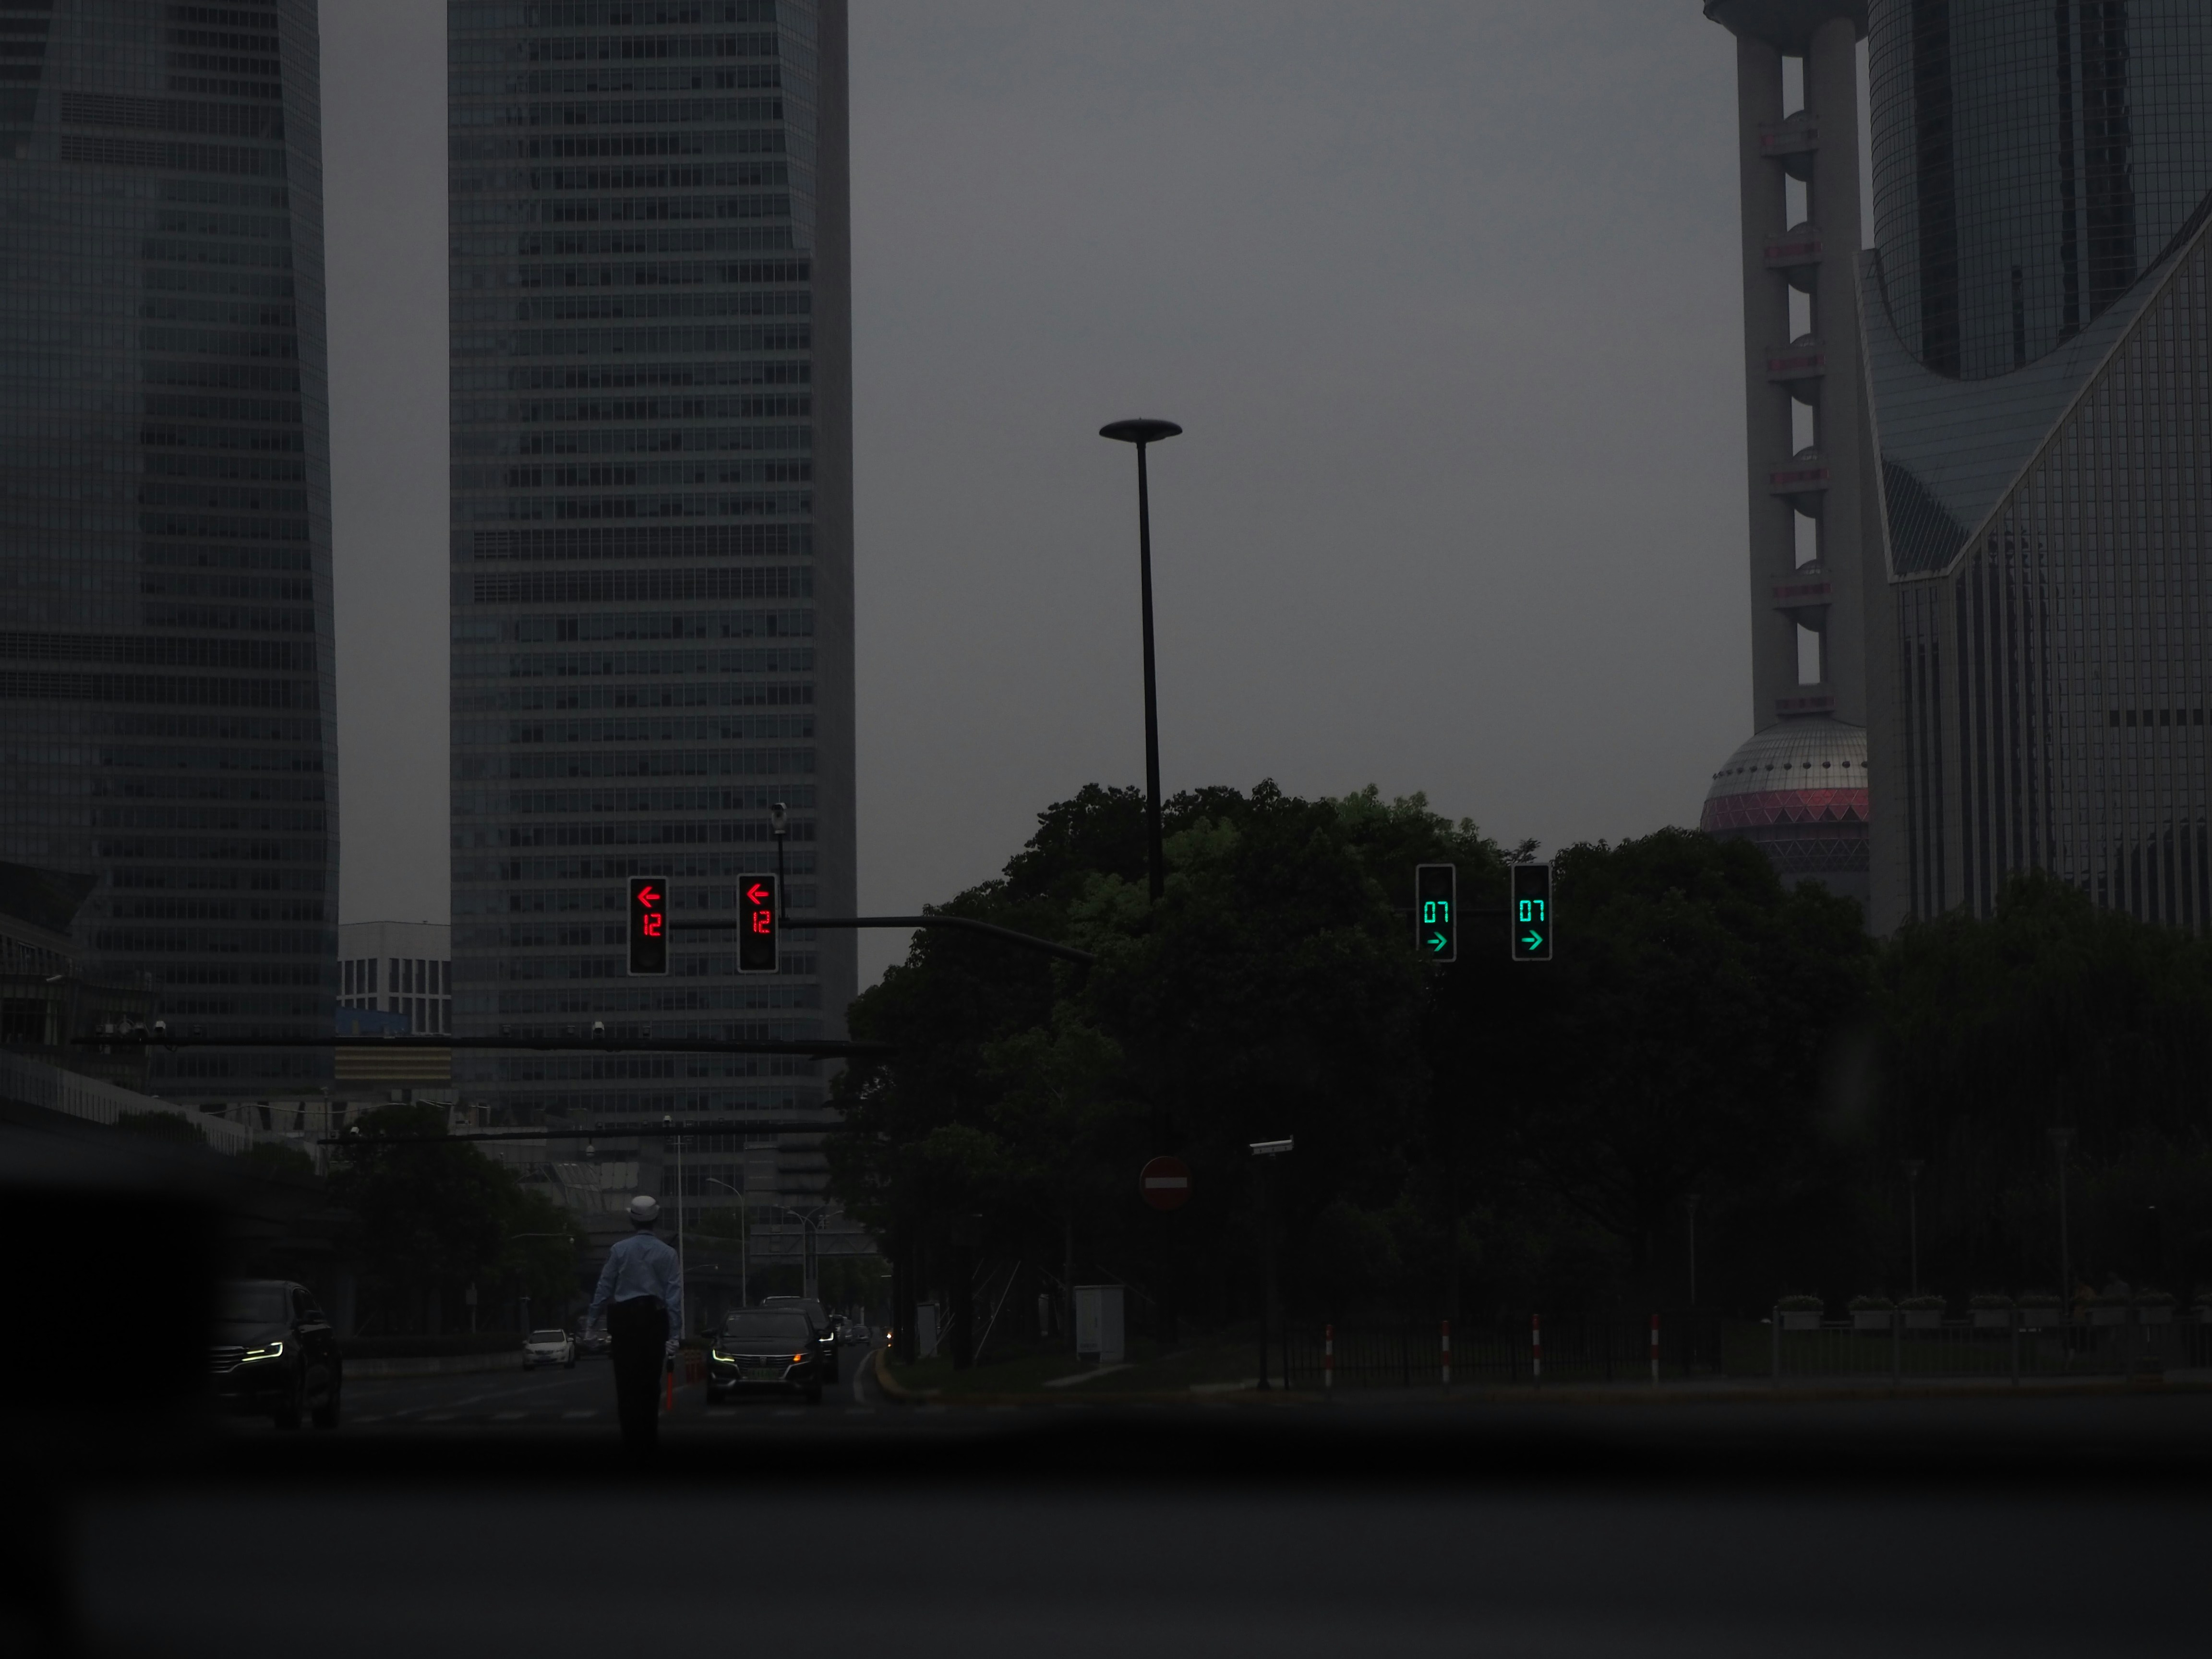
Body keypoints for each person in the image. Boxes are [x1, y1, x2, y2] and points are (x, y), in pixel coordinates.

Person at [586, 1194, 684, 1459]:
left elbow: (604, 1288)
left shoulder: (619, 1250)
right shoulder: (669, 1253)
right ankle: (648, 1440)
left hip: (625, 1323)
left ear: (632, 1219)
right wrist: (675, 1335)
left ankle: (630, 1441)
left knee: (627, 1386)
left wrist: (591, 1326)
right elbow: (674, 1297)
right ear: (657, 1219)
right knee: (650, 1384)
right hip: (655, 1321)